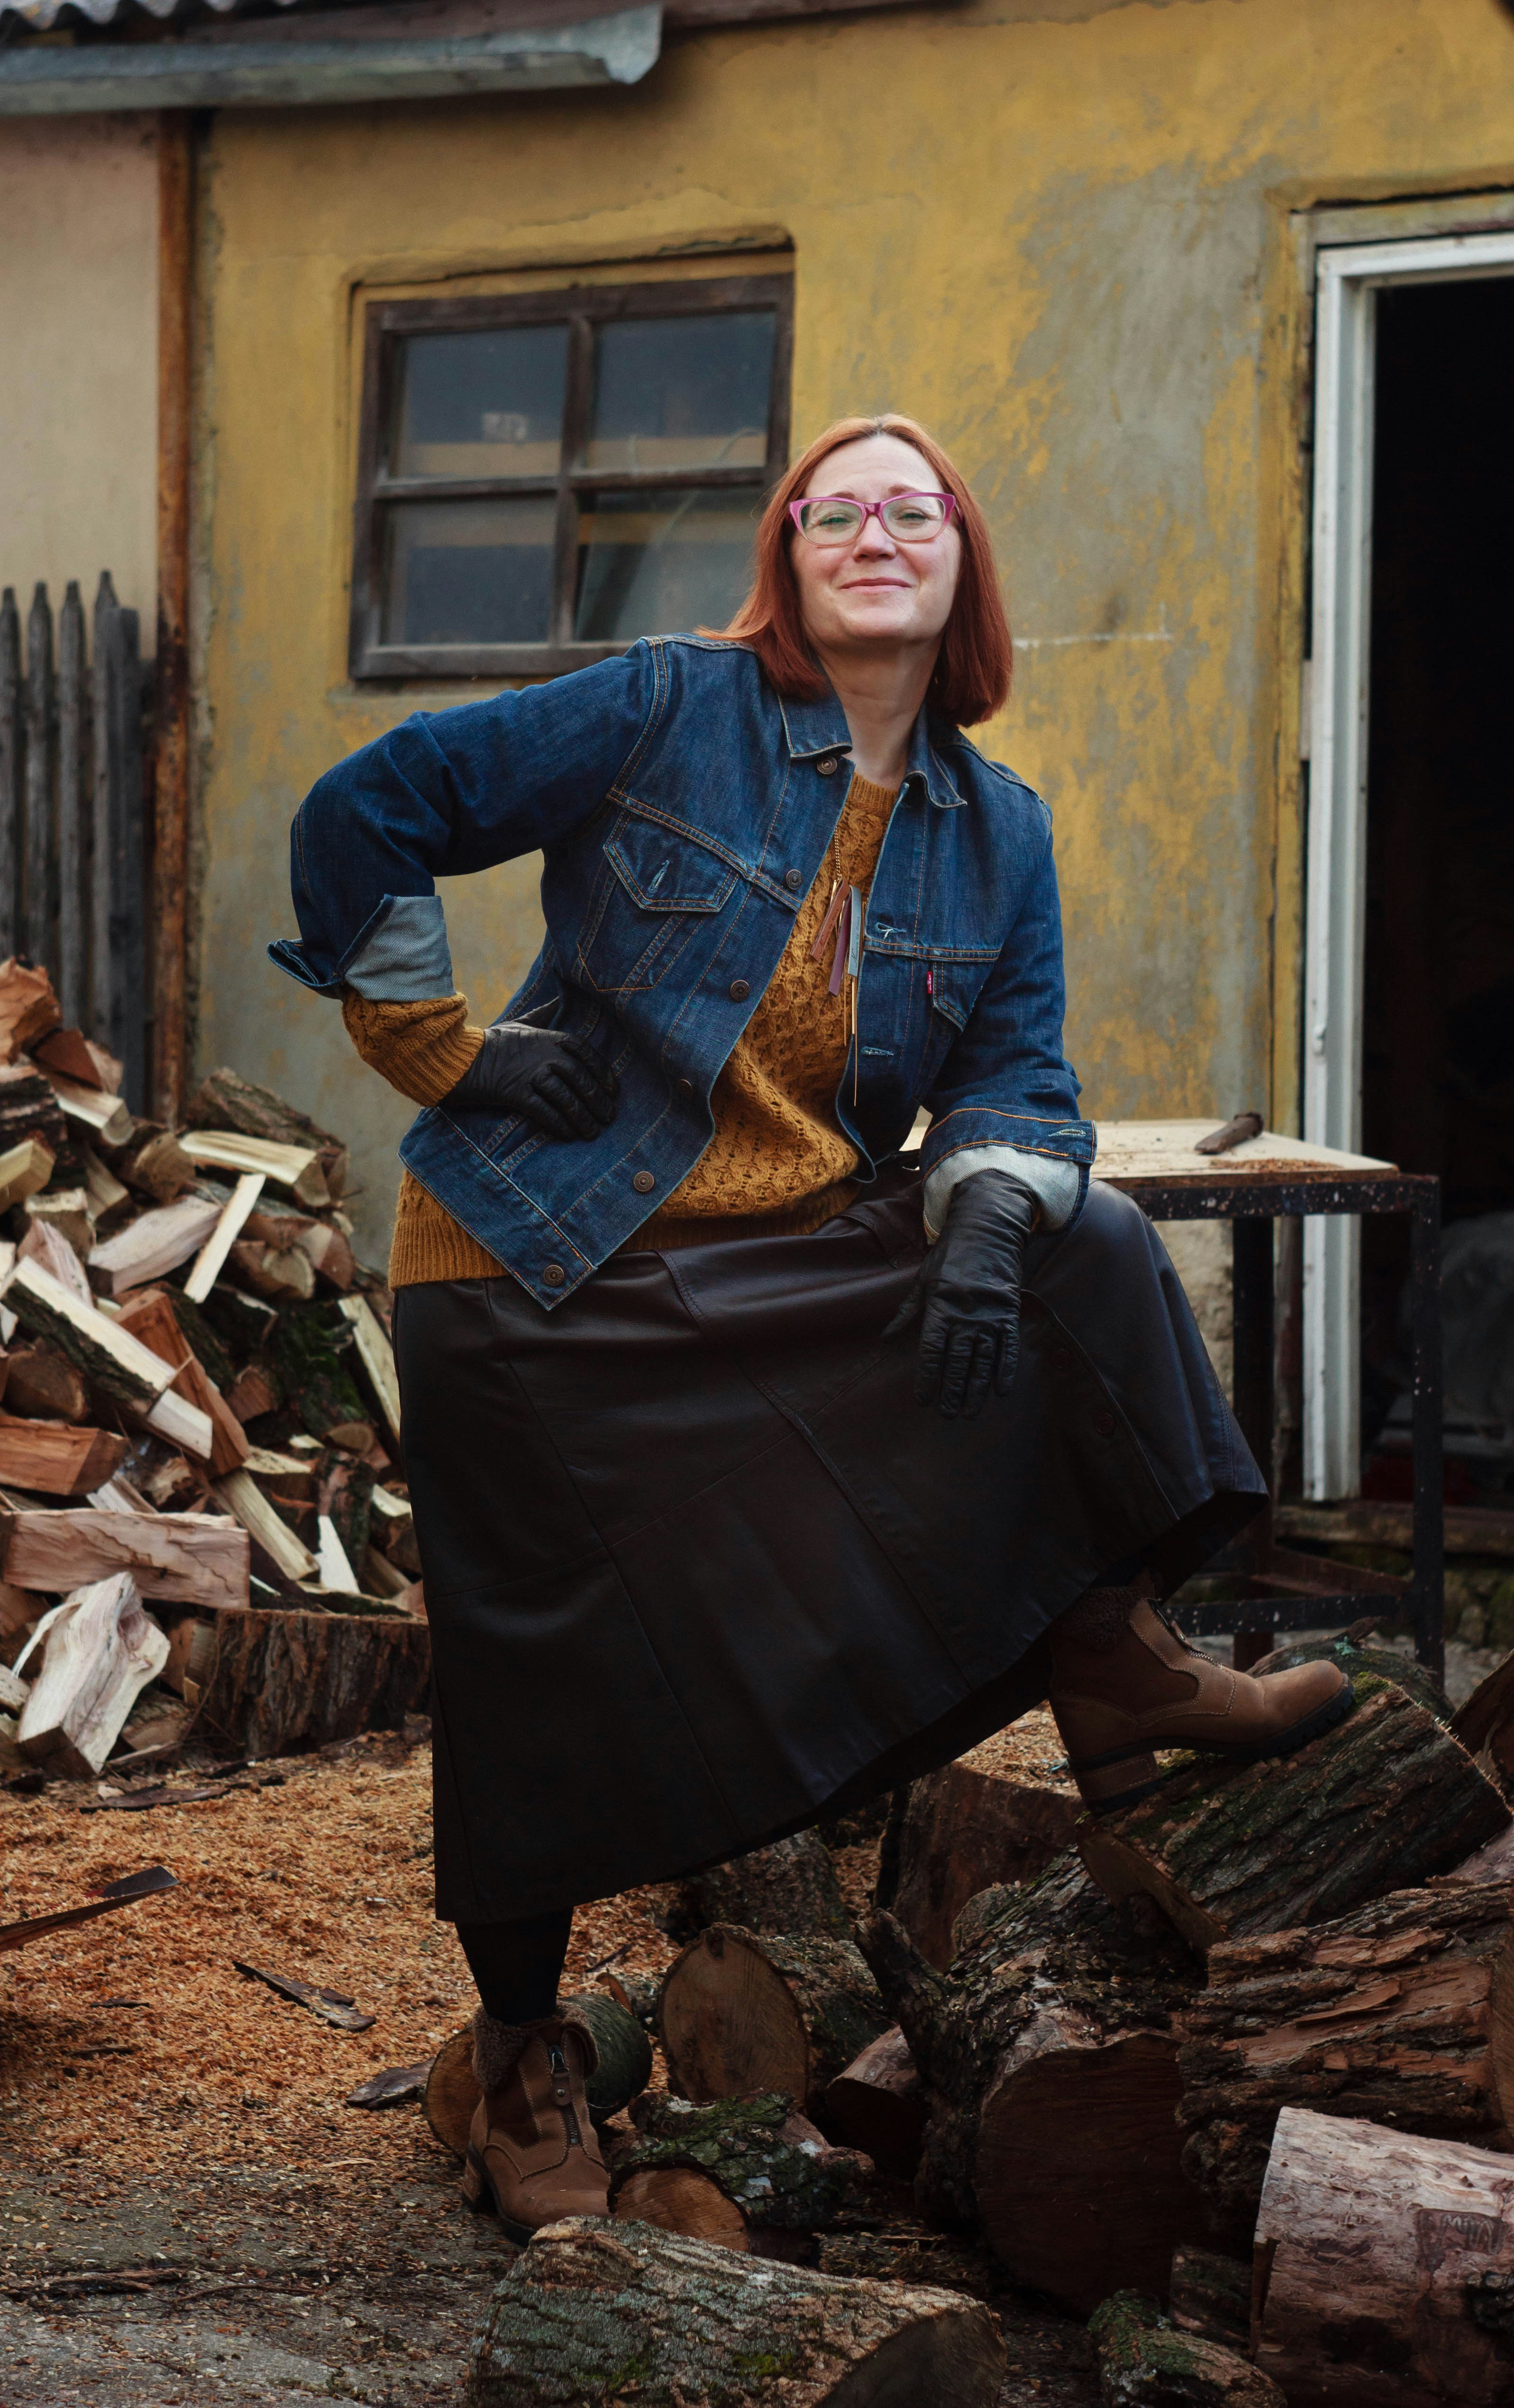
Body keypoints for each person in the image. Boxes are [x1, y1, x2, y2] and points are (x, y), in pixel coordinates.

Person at [273, 412, 1351, 2244]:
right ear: (788, 557)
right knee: (546, 1679)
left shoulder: (994, 830)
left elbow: (1021, 1081)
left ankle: (1107, 1642)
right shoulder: (661, 705)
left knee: (1082, 1239)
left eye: (908, 508)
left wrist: (992, 1209)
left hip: (775, 1253)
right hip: (540, 1262)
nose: (870, 529)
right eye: (829, 506)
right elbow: (369, 809)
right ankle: (529, 2054)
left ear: (958, 563)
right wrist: (429, 1045)